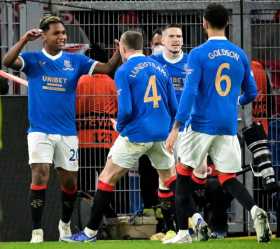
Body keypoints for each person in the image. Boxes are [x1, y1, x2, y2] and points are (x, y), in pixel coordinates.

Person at [2, 14, 121, 243]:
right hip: (40, 131)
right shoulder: (34, 59)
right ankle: (37, 231)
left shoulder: (75, 61)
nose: (62, 37)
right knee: (40, 175)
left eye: (63, 33)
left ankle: (64, 225)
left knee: (70, 183)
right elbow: (8, 62)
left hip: (67, 132)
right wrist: (24, 40)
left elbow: (107, 69)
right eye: (56, 33)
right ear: (43, 35)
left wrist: (118, 53)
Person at [165, 3, 272, 244]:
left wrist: (176, 126)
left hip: (200, 124)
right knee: (228, 178)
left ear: (204, 23)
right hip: (227, 124)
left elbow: (190, 92)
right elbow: (252, 93)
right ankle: (255, 211)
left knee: (182, 175)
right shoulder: (239, 54)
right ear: (228, 23)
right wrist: (234, 101)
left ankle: (183, 232)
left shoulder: (198, 54)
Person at [62, 30, 178, 243]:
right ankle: (185, 225)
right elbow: (174, 106)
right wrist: (168, 129)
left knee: (106, 178)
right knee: (169, 179)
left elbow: (124, 110)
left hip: (136, 134)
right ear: (142, 46)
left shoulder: (124, 70)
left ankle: (89, 233)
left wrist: (122, 127)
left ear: (123, 48)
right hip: (160, 133)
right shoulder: (161, 68)